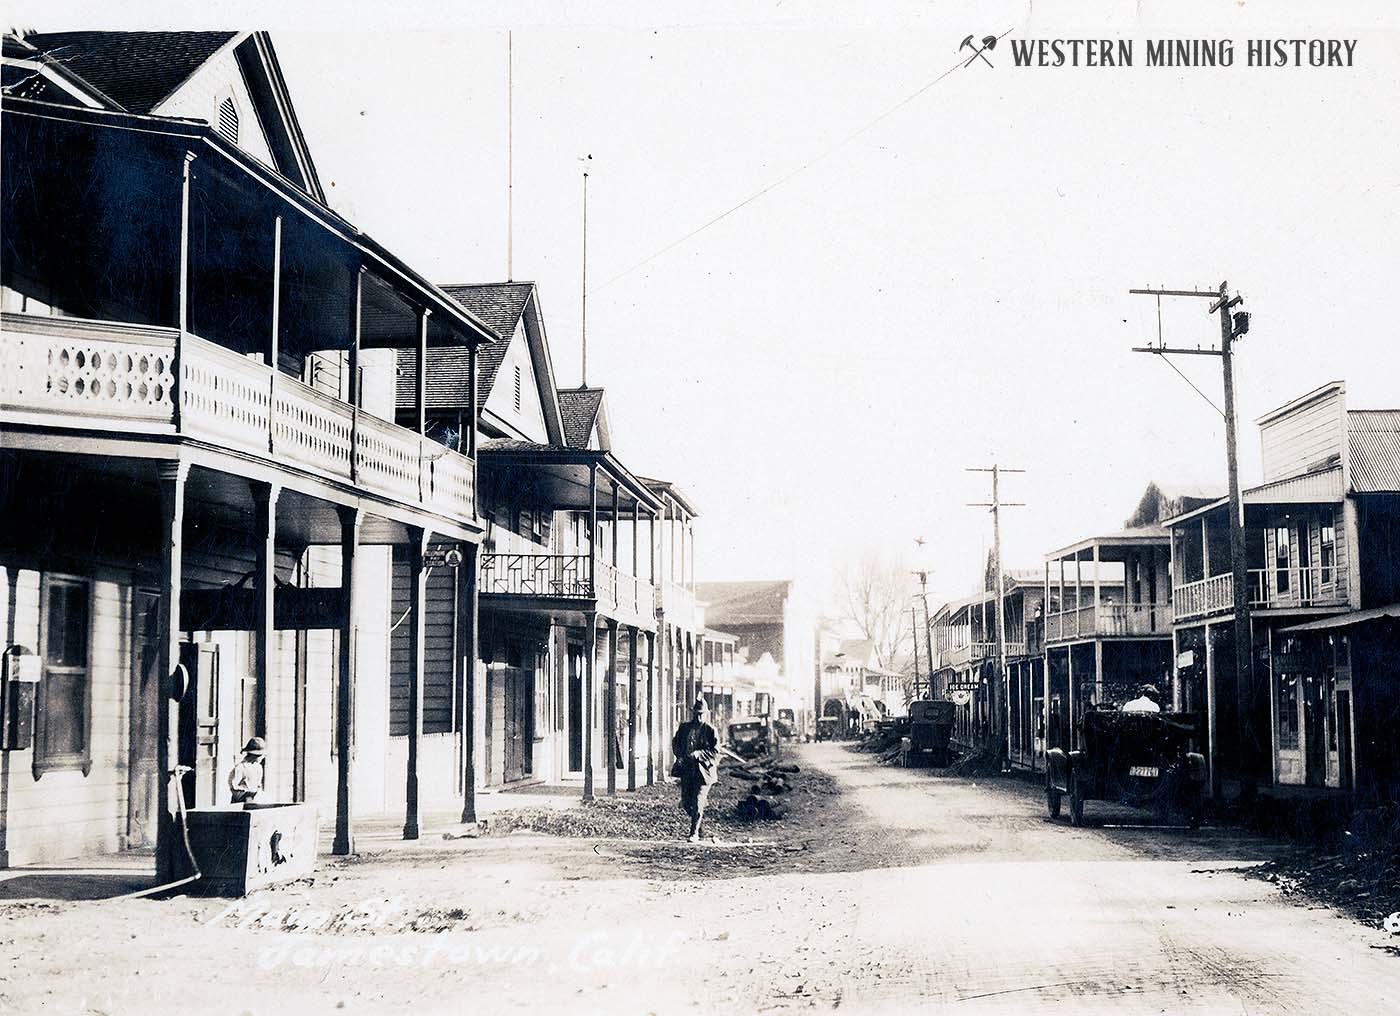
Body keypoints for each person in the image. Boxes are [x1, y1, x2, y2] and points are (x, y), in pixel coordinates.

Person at [671, 698, 719, 842]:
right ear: (692, 713)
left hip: (704, 773)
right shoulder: (684, 728)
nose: (698, 717)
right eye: (696, 714)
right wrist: (679, 755)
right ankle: (699, 826)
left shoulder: (710, 730)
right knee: (686, 803)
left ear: (706, 714)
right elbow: (676, 743)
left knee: (698, 801)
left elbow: (715, 751)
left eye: (701, 714)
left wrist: (699, 754)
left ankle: (694, 833)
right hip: (687, 771)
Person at [228, 736, 266, 803]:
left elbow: (258, 785)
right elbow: (233, 786)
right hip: (242, 801)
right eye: (260, 756)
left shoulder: (258, 767)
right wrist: (247, 795)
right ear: (253, 755)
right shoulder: (241, 767)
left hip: (254, 800)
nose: (261, 758)